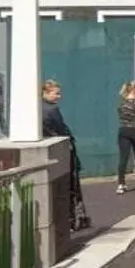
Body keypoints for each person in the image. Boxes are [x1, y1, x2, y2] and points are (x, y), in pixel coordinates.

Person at [42, 80, 90, 232]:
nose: (59, 96)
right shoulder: (51, 110)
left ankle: (73, 219)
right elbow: (62, 131)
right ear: (46, 92)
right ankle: (73, 219)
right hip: (64, 153)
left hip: (52, 151)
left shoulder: (38, 109)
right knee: (71, 187)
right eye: (56, 93)